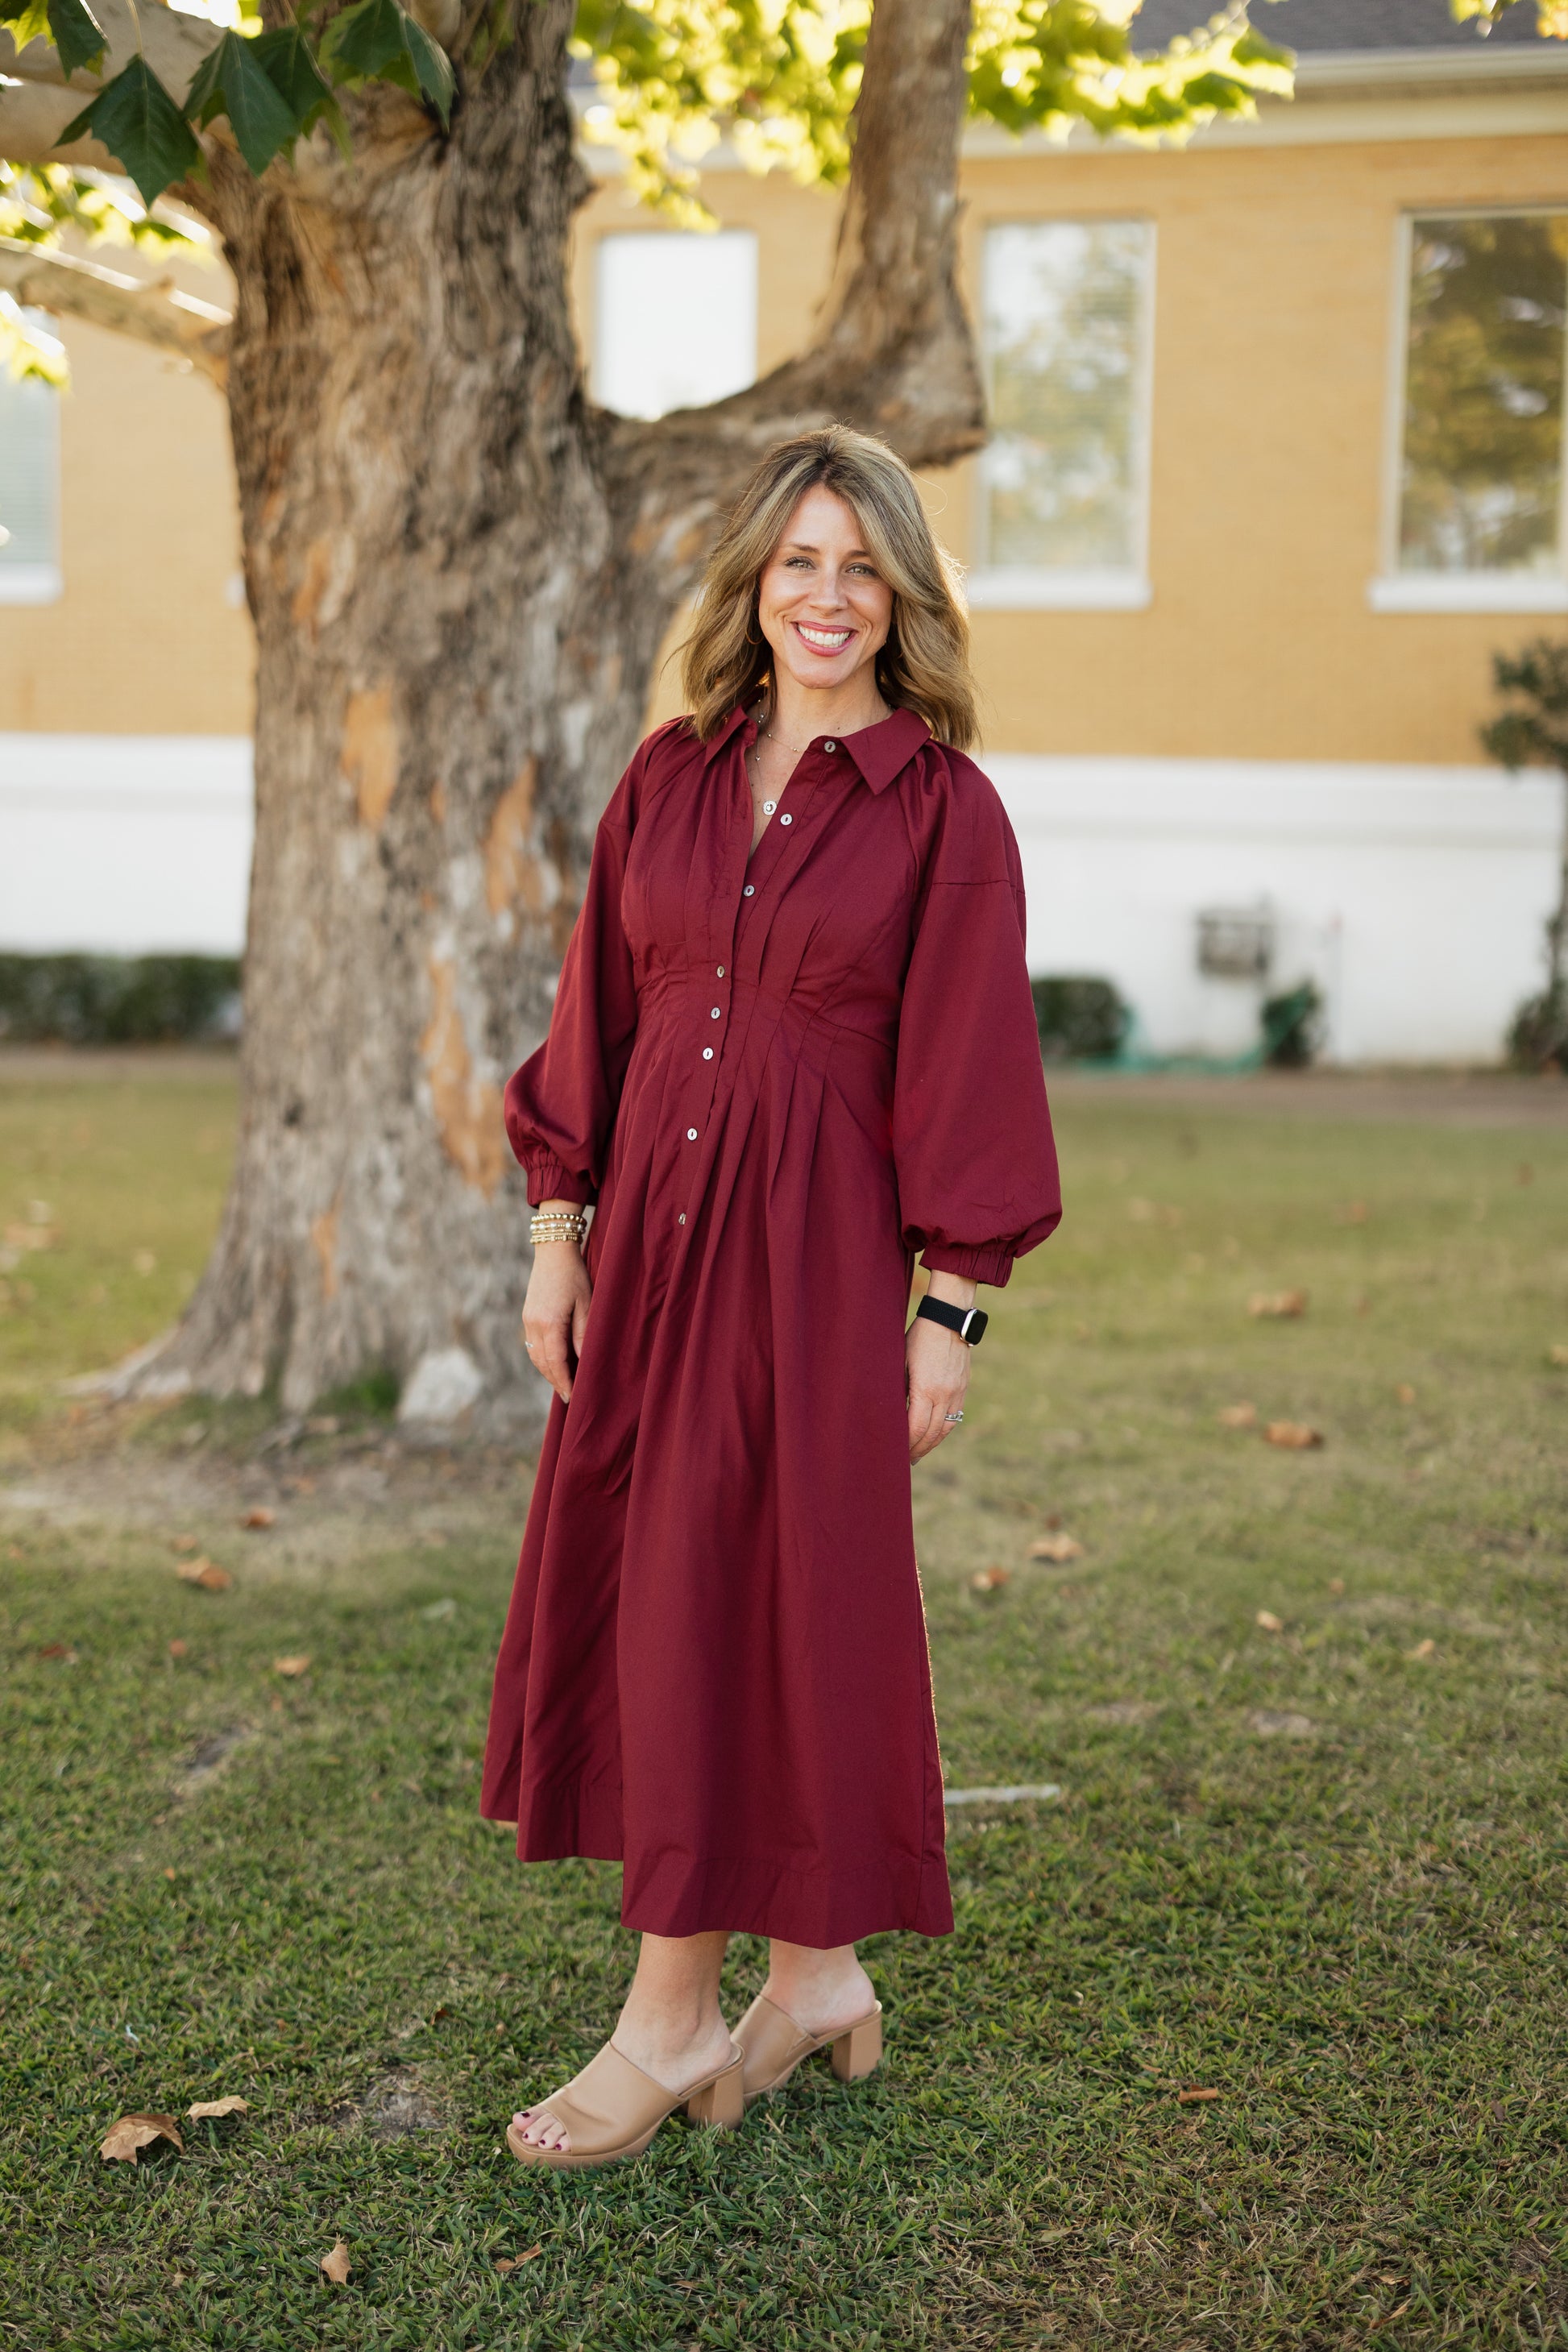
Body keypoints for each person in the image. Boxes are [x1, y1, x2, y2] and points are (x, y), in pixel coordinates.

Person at [480, 423, 1060, 2168]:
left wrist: (949, 1309)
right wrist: (555, 1227)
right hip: (648, 1249)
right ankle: (810, 1974)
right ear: (754, 583)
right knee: (698, 1591)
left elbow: (970, 1063)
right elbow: (598, 1016)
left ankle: (665, 2022)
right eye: (797, 561)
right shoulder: (665, 775)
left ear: (901, 598)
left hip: (812, 1266)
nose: (825, 594)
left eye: (859, 564)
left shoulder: (944, 809)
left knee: (755, 1599)